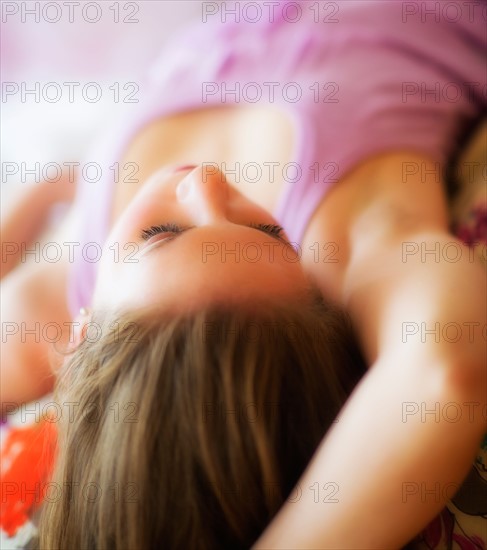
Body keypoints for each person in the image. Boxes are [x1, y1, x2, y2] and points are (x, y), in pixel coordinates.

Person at [1, 1, 485, 548]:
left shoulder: (48, 307)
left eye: (160, 232)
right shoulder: (353, 239)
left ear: (79, 338)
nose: (207, 184)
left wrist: (41, 194)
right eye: (269, 234)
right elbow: (442, 376)